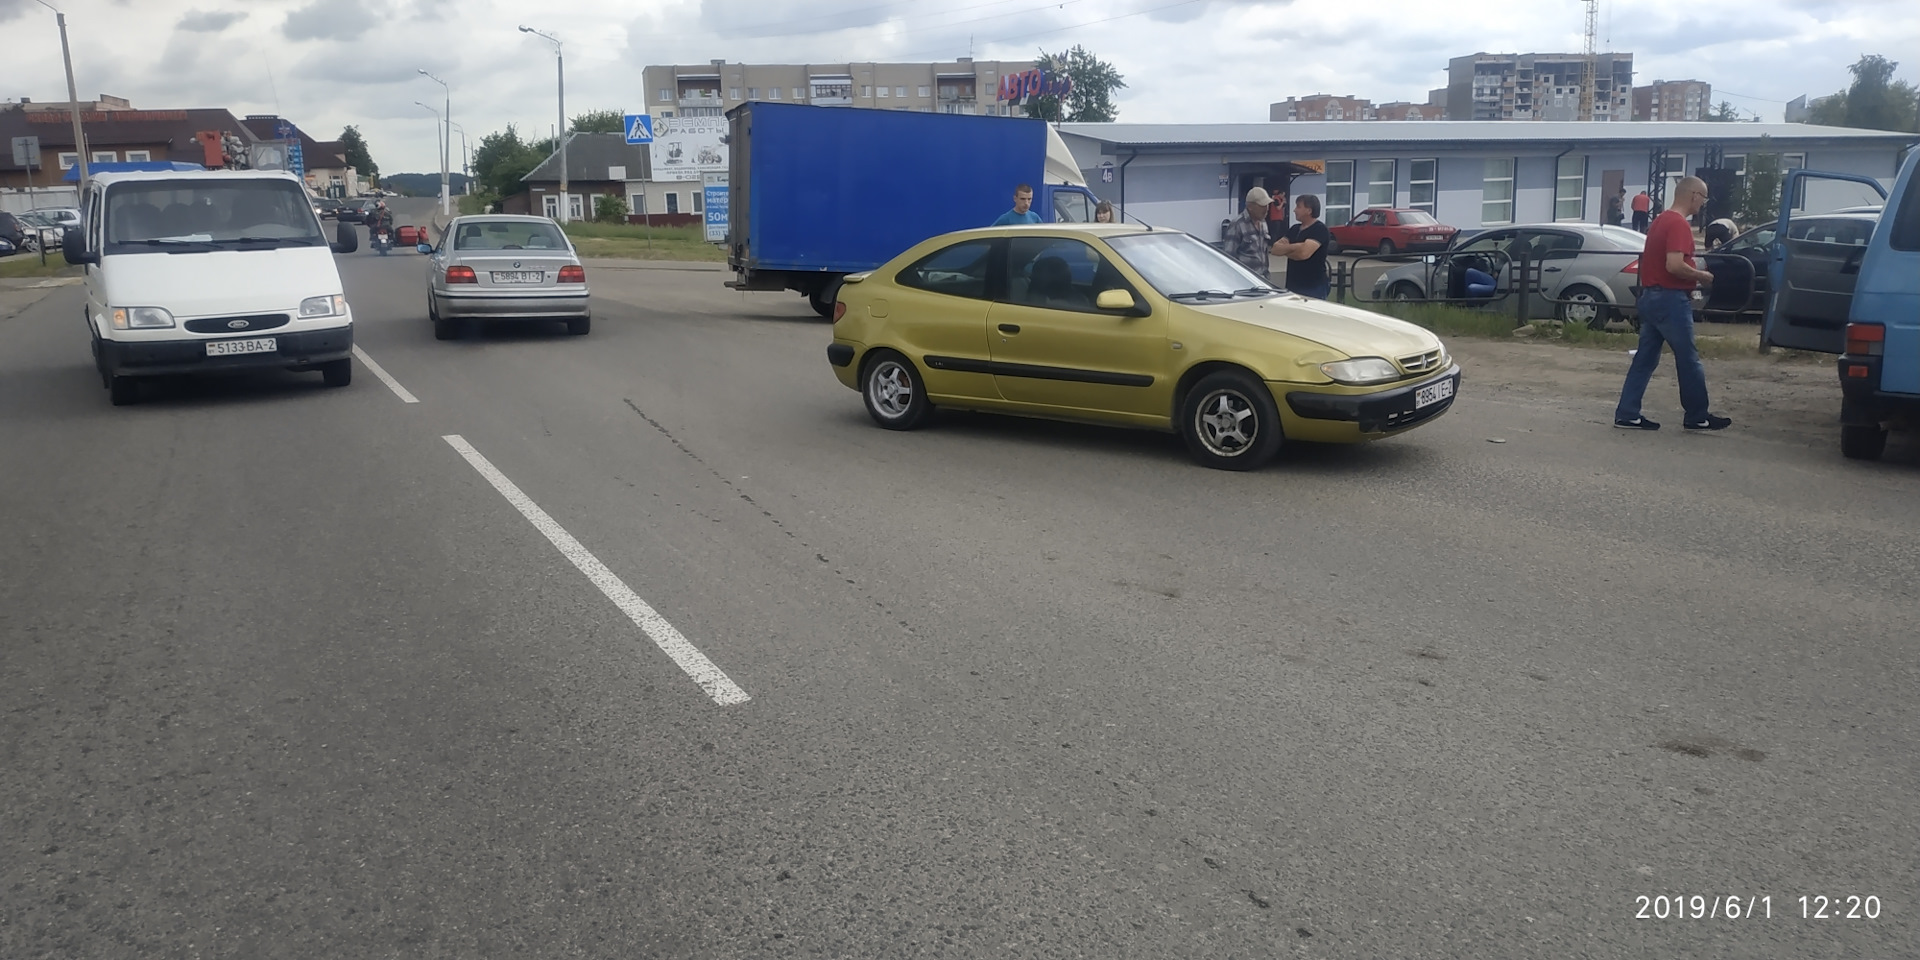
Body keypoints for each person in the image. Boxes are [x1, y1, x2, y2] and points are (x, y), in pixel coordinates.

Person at [1614, 176, 1732, 432]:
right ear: (1694, 195)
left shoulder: (1660, 220)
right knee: (1688, 358)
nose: (1703, 203)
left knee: (1645, 358)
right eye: (1703, 198)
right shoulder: (1679, 224)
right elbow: (1674, 265)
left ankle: (1627, 413)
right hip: (1670, 298)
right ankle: (1697, 415)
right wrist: (1702, 276)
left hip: (1651, 295)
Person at [1269, 193, 1333, 299]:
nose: (1294, 210)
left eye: (1298, 207)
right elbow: (1275, 249)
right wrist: (1298, 246)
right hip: (1292, 286)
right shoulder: (1294, 229)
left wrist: (1287, 250)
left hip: (1313, 287)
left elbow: (1303, 254)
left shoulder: (1320, 229)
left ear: (1309, 210)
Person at [1222, 187, 1273, 281]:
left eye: (1267, 205)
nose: (1266, 209)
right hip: (1245, 280)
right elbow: (1228, 257)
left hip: (1263, 279)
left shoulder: (1263, 223)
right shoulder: (1237, 224)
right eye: (1262, 205)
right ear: (1250, 206)